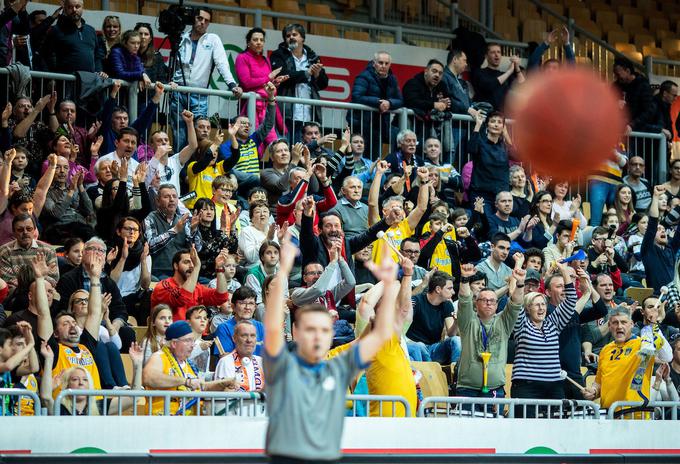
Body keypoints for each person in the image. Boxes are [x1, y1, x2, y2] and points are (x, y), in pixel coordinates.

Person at [263, 235, 398, 462]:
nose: (317, 336)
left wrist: (389, 285)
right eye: (310, 329)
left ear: (331, 334)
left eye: (324, 331)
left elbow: (381, 333)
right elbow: (273, 329)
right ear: (295, 331)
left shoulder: (338, 367)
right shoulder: (282, 365)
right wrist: (283, 269)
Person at [170, 7, 242, 152]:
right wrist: (170, 80)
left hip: (199, 94)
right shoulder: (181, 38)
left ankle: (197, 169)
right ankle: (181, 171)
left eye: (206, 20)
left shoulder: (213, 39)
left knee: (200, 136)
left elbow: (222, 63)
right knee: (180, 135)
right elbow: (172, 64)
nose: (202, 22)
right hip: (178, 92)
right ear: (193, 19)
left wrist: (232, 84)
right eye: (199, 18)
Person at [511, 261, 578, 417]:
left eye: (543, 304)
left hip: (554, 386)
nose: (541, 308)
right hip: (527, 386)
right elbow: (515, 303)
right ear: (528, 308)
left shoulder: (553, 323)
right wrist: (519, 281)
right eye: (536, 305)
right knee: (527, 431)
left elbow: (570, 300)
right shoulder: (521, 324)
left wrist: (563, 271)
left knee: (556, 432)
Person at [36, 249, 104, 399]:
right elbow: (43, 314)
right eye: (65, 323)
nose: (72, 325)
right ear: (55, 333)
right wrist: (40, 279)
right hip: (63, 408)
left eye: (73, 322)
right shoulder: (53, 350)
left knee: (132, 398)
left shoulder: (86, 345)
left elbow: (94, 313)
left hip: (92, 408)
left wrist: (95, 278)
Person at [456, 262, 524, 403]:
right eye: (484, 300)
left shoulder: (504, 322)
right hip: (467, 389)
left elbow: (516, 303)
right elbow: (464, 301)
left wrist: (520, 283)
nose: (488, 303)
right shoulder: (467, 321)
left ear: (497, 304)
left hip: (495, 389)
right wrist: (464, 279)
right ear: (476, 302)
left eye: (492, 300)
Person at [584, 307, 672, 413]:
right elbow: (598, 383)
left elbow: (667, 356)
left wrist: (654, 327)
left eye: (623, 322)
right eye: (615, 323)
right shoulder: (605, 350)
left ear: (631, 324)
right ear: (609, 326)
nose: (619, 326)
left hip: (636, 414)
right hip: (610, 414)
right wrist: (593, 391)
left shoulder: (644, 344)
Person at [142, 320, 238, 415]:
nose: (192, 345)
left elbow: (201, 386)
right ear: (174, 343)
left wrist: (223, 383)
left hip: (188, 419)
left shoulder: (188, 364)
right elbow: (148, 377)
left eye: (192, 340)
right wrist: (186, 381)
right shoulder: (159, 357)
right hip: (163, 418)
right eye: (187, 341)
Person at [55, 237, 135, 351]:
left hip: (106, 327)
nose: (97, 253)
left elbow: (120, 310)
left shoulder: (109, 282)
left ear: (104, 257)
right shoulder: (68, 279)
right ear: (83, 254)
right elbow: (63, 311)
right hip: (80, 327)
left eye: (101, 250)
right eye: (92, 249)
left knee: (127, 333)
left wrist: (113, 327)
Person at [269, 23, 329, 143]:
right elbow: (283, 75)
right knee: (283, 150)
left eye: (295, 34)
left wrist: (317, 74)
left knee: (306, 154)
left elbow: (324, 84)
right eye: (288, 35)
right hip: (286, 113)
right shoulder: (278, 55)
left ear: (302, 38)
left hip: (308, 116)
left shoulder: (313, 56)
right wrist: (306, 73)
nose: (291, 37)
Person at [218, 82, 277, 196]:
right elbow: (228, 168)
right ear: (233, 126)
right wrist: (233, 176)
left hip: (255, 183)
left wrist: (270, 98)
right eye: (242, 123)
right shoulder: (225, 146)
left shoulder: (254, 139)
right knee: (255, 178)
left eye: (248, 124)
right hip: (238, 182)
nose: (246, 126)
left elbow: (268, 123)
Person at [235, 27, 286, 148]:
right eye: (255, 39)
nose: (259, 42)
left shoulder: (266, 59)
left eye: (261, 40)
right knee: (252, 144)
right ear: (248, 43)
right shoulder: (242, 58)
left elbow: (264, 84)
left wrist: (275, 82)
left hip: (266, 106)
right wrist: (269, 77)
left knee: (274, 145)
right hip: (250, 107)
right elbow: (246, 83)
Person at [150, 247, 229, 321]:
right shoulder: (163, 286)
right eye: (186, 262)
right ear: (176, 266)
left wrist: (219, 269)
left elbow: (221, 297)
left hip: (196, 334)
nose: (191, 266)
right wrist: (197, 267)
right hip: (172, 334)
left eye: (193, 262)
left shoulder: (197, 288)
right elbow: (181, 299)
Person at [349, 51, 403, 157]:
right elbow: (357, 96)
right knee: (358, 157)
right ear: (374, 63)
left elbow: (400, 100)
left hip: (379, 125)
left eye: (386, 63)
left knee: (374, 158)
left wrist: (389, 103)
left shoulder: (392, 79)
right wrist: (378, 103)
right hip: (361, 124)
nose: (383, 66)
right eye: (380, 63)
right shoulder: (364, 76)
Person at [143, 184, 202, 279]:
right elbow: (151, 245)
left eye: (174, 196)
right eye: (166, 196)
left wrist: (193, 231)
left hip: (183, 271)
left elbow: (198, 249)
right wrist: (174, 230)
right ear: (157, 201)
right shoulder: (150, 219)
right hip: (160, 271)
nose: (171, 200)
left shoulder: (183, 219)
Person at [406, 271, 461, 364]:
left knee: (456, 340)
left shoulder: (447, 305)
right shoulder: (417, 301)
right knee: (419, 346)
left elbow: (451, 334)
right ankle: (432, 370)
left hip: (434, 348)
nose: (453, 292)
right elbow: (404, 326)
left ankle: (455, 372)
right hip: (415, 347)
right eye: (449, 288)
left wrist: (456, 322)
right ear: (438, 289)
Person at [290, 242, 355, 319]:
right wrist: (332, 262)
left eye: (320, 273)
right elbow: (318, 290)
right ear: (304, 278)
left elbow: (351, 283)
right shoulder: (297, 293)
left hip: (332, 329)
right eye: (312, 273)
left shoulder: (329, 294)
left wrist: (340, 259)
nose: (317, 276)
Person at [40, 0, 106, 75]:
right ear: (65, 9)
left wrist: (99, 70)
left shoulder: (91, 30)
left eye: (77, 7)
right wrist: (50, 77)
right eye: (70, 7)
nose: (74, 10)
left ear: (82, 8)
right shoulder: (56, 30)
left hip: (89, 82)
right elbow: (45, 55)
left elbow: (96, 55)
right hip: (65, 81)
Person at [40, 156, 96, 243]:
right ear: (50, 170)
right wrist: (70, 191)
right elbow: (56, 214)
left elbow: (89, 211)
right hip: (61, 230)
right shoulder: (45, 191)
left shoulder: (74, 187)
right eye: (58, 167)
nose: (62, 171)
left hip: (82, 228)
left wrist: (80, 186)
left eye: (65, 167)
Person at [0, 213, 58, 292]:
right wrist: (40, 276)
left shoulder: (48, 250)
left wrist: (24, 280)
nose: (25, 232)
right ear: (13, 232)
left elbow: (53, 280)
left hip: (44, 291)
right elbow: (8, 281)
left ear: (34, 230)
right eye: (20, 230)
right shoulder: (4, 251)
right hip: (17, 293)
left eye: (29, 229)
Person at [468, 111, 511, 215]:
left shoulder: (504, 146)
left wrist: (506, 134)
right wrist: (478, 124)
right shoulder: (481, 142)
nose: (496, 124)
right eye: (492, 121)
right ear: (487, 125)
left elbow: (518, 156)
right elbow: (471, 148)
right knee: (484, 225)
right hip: (481, 194)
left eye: (499, 122)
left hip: (500, 196)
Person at [402, 59, 452, 148]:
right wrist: (434, 105)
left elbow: (448, 104)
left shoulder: (442, 86)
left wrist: (446, 105)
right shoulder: (413, 83)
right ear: (426, 71)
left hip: (428, 129)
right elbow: (411, 101)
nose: (437, 75)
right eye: (434, 71)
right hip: (409, 127)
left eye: (440, 73)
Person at [642, 185, 680, 292]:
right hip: (657, 298)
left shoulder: (670, 248)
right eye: (658, 229)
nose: (663, 230)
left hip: (676, 297)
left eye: (663, 229)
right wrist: (655, 196)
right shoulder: (648, 249)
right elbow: (653, 222)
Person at [214, 319, 265, 393]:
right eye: (244, 335)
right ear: (234, 338)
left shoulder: (261, 361)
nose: (249, 340)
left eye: (252, 336)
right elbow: (227, 397)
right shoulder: (226, 362)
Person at [213, 286, 265, 357]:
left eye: (251, 303)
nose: (247, 307)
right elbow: (225, 357)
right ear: (233, 306)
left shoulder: (261, 327)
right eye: (242, 303)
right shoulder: (224, 328)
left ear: (255, 307)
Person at [471, 43, 525, 111]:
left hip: (500, 118)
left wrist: (517, 67)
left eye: (498, 52)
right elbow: (488, 86)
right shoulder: (479, 72)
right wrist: (509, 72)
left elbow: (523, 86)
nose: (496, 55)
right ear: (486, 56)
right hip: (484, 116)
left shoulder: (504, 75)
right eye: (493, 52)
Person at [613, 57, 655, 133]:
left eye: (618, 74)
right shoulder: (615, 86)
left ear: (628, 71)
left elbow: (648, 111)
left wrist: (632, 125)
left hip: (637, 132)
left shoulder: (643, 86)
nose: (616, 77)